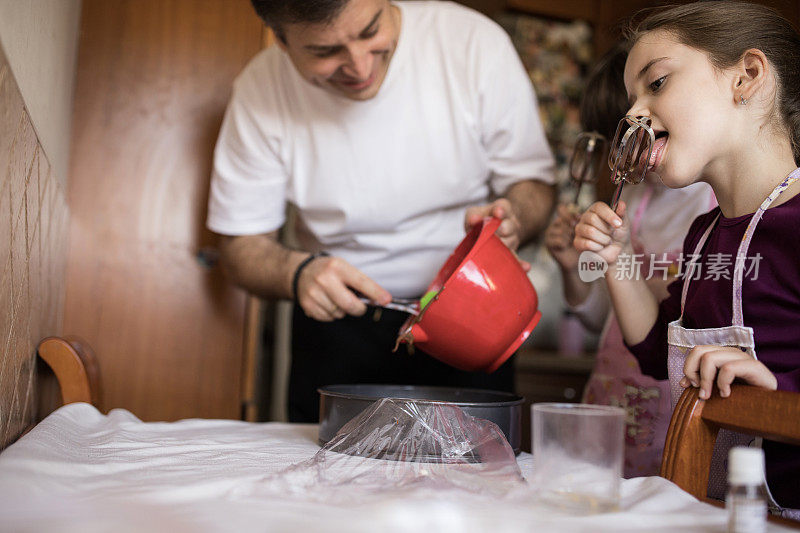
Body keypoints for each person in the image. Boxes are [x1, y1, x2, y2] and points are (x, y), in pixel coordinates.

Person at [206, 0, 556, 422]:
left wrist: (515, 214)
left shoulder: (471, 43)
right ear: (282, 40)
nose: (358, 65)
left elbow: (533, 186)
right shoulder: (260, 90)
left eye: (370, 31)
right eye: (324, 52)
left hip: (475, 311)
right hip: (339, 327)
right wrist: (295, 273)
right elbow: (240, 246)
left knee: (476, 476)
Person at [574, 1, 800, 511]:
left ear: (746, 76)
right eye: (632, 97)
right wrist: (617, 258)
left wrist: (777, 394)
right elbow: (658, 352)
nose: (632, 114)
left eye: (656, 84)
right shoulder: (704, 236)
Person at [545, 42, 715, 478]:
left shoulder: (711, 201)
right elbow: (602, 316)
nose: (624, 154)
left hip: (671, 404)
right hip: (610, 393)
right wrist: (574, 265)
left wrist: (624, 262)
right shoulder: (632, 199)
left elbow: (680, 315)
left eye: (630, 136)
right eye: (614, 142)